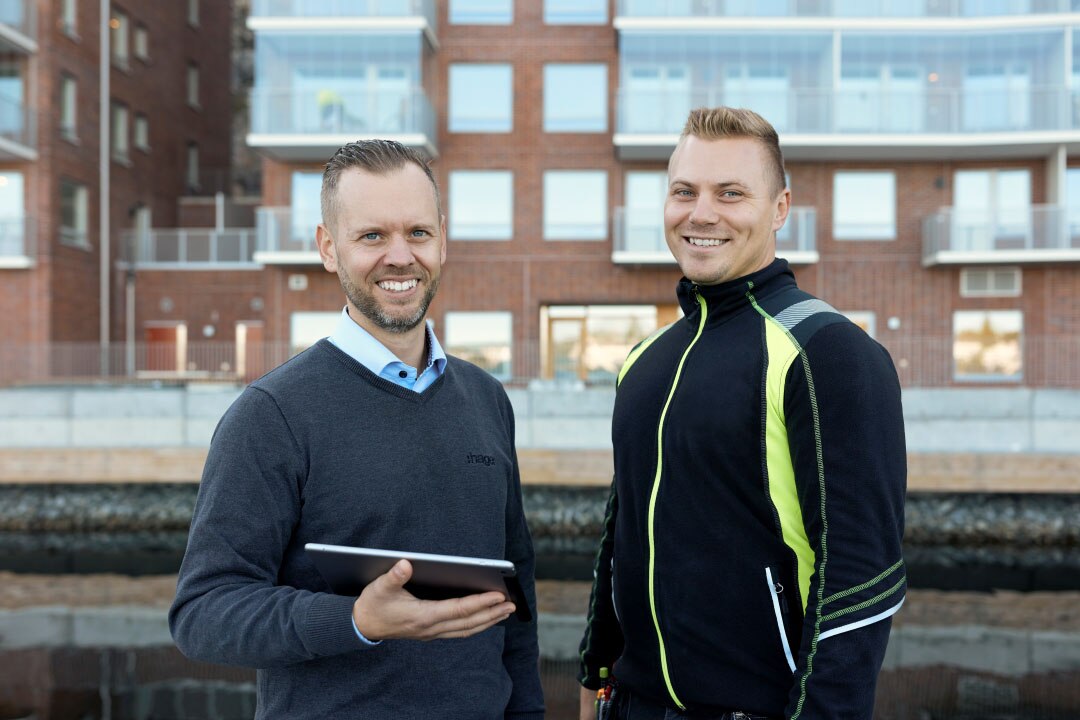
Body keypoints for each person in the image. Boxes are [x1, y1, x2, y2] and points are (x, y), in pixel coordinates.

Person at [169, 139, 544, 720]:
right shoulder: (271, 414)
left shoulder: (486, 399)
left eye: (418, 233)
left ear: (442, 240)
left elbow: (515, 599)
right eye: (372, 236)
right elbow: (202, 613)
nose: (400, 256)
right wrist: (355, 620)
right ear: (328, 247)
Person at [577, 107, 907, 720]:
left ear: (780, 209)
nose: (701, 213)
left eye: (730, 193)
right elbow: (619, 541)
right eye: (684, 192)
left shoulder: (828, 353)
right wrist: (595, 679)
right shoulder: (644, 360)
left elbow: (862, 580)